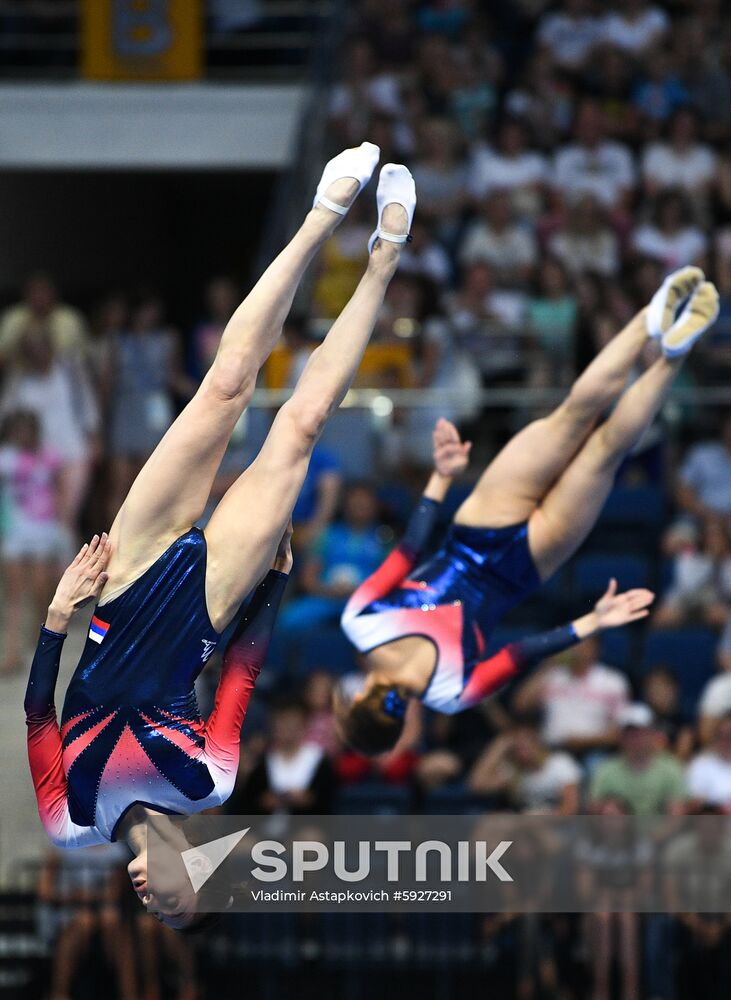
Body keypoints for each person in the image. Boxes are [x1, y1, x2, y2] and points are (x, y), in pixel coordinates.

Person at [24, 144, 417, 926]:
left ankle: (317, 217)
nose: (151, 897)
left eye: (152, 908)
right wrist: (273, 581)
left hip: (124, 579)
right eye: (174, 902)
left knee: (225, 387)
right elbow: (241, 667)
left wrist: (58, 617)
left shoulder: (70, 822)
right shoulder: (210, 781)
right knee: (299, 428)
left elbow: (39, 713)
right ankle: (382, 257)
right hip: (209, 604)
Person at [336, 265, 720, 753]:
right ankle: (650, 316)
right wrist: (441, 477)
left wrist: (591, 622)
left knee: (605, 452)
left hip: (524, 567)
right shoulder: (359, 622)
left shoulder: (452, 695)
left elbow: (522, 652)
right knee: (571, 417)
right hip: (476, 529)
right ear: (363, 693)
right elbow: (409, 549)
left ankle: (673, 354)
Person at [0, 410, 63, 674]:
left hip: (43, 531)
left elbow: (58, 489)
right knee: (14, 596)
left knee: (40, 592)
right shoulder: (6, 459)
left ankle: (39, 644)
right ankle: (12, 651)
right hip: (14, 531)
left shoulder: (49, 457)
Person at [512, 635, 629, 758]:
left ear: (596, 649)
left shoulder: (613, 681)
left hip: (595, 752)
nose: (577, 649)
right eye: (573, 644)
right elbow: (521, 705)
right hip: (550, 751)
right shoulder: (552, 675)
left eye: (582, 644)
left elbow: (620, 731)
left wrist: (582, 741)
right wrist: (549, 665)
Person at [589, 703, 687, 816]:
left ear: (651, 734)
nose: (634, 738)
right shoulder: (606, 770)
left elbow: (677, 814)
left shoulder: (671, 768)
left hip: (660, 832)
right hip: (618, 832)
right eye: (629, 733)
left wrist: (655, 834)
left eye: (639, 733)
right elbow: (594, 811)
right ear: (621, 737)